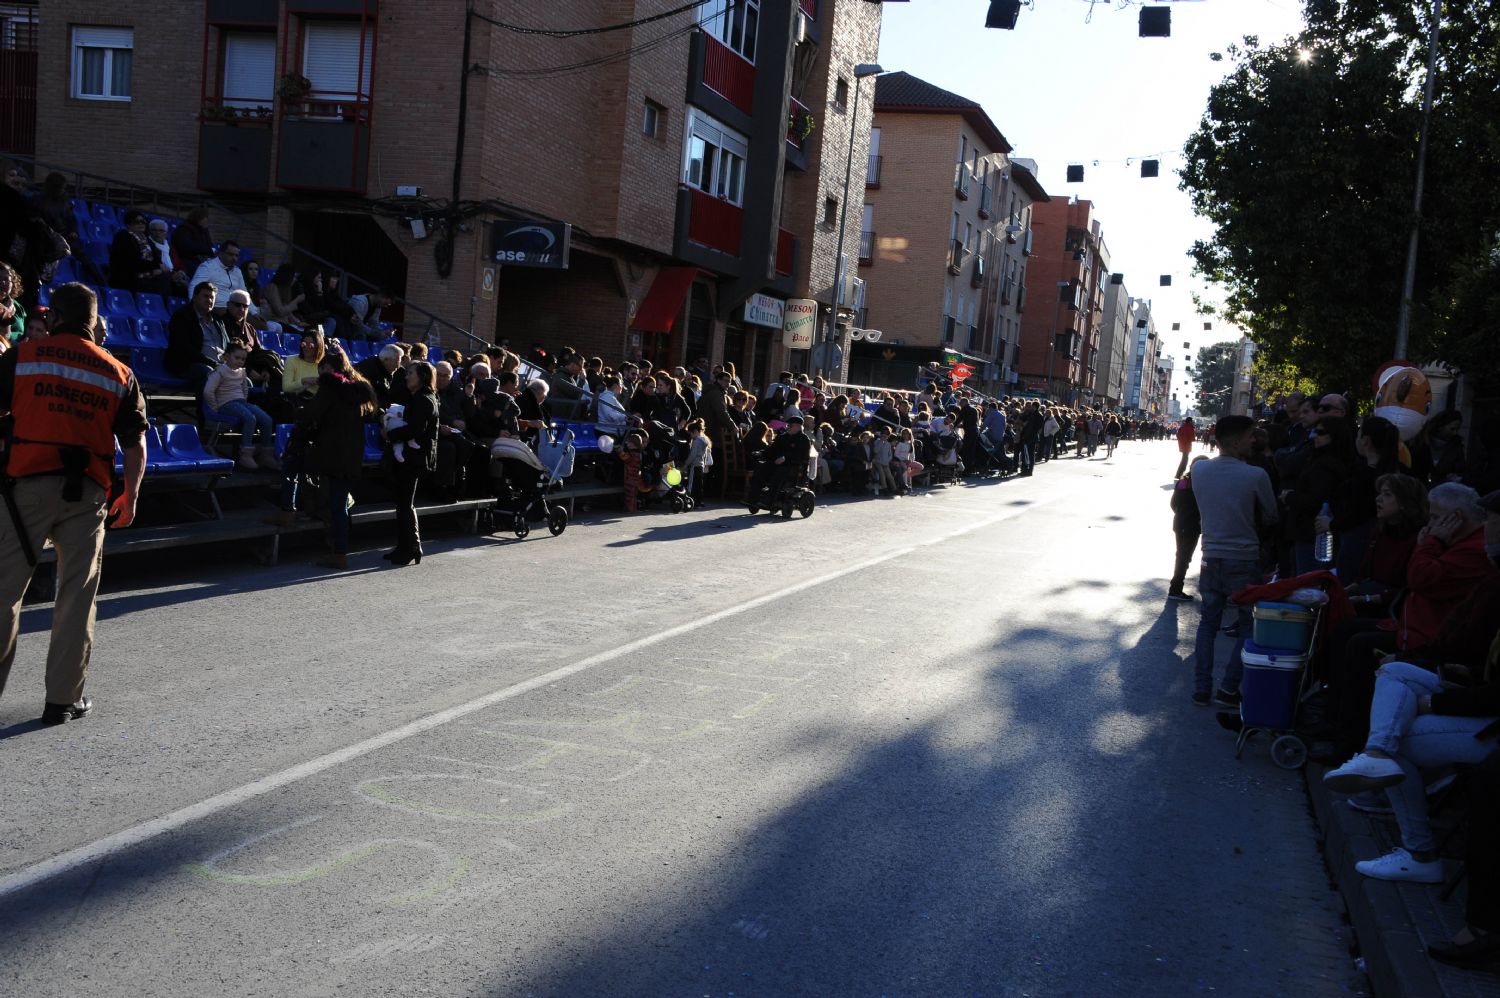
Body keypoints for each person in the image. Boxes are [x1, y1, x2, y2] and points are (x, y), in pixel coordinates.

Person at [0, 283, 148, 724]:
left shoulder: (24, 357)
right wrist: (132, 495)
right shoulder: (118, 372)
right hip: (87, 495)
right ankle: (63, 700)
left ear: (56, 316)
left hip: (24, 489)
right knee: (76, 597)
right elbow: (136, 444)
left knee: (4, 593)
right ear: (94, 320)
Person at [1190, 415, 1279, 707]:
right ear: (1237, 440)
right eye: (1251, 435)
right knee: (1248, 625)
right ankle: (1229, 687)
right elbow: (1271, 516)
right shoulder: (1255, 475)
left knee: (1208, 623)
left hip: (1211, 556)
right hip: (1244, 557)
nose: (1254, 440)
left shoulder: (1200, 470)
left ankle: (1201, 687)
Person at [294, 347, 377, 569]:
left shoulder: (330, 388)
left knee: (336, 504)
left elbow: (311, 413)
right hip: (351, 454)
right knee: (341, 502)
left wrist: (298, 408)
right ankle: (341, 548)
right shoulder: (360, 390)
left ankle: (339, 552)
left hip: (331, 453)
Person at [383, 361, 438, 566]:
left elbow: (415, 429)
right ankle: (405, 546)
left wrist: (390, 434)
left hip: (414, 458)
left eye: (411, 373)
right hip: (411, 456)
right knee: (403, 503)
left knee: (405, 503)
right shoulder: (419, 397)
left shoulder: (424, 399)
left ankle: (412, 547)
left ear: (422, 376)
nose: (407, 377)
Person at [203, 343, 280, 471]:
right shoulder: (219, 372)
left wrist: (243, 401)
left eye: (243, 359)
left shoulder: (242, 373)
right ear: (227, 356)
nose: (240, 361)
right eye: (237, 358)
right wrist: (215, 407)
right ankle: (246, 454)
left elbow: (244, 390)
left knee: (267, 419)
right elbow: (208, 391)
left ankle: (266, 454)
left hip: (240, 403)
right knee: (250, 418)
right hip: (226, 403)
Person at [165, 281, 229, 394]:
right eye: (205, 296)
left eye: (212, 297)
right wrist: (213, 364)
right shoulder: (182, 316)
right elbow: (184, 348)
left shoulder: (218, 320)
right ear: (194, 297)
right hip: (188, 364)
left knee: (244, 380)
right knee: (208, 373)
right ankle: (205, 410)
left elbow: (228, 345)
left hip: (219, 365)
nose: (209, 300)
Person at [108, 210, 171, 299]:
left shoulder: (147, 240)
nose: (141, 224)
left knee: (170, 278)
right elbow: (130, 261)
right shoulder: (123, 237)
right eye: (137, 222)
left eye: (143, 222)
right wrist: (154, 268)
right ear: (128, 224)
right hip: (129, 274)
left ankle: (163, 306)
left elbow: (157, 259)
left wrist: (158, 267)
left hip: (147, 273)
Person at [749, 414, 811, 505]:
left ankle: (770, 500)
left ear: (798, 427)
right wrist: (761, 453)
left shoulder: (804, 439)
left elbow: (802, 456)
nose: (788, 427)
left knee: (780, 472)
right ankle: (754, 498)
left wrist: (785, 458)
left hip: (793, 466)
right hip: (778, 463)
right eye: (787, 425)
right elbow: (772, 449)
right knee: (761, 467)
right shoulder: (782, 437)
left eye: (790, 425)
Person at [1169, 456, 1207, 601]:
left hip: (1180, 522)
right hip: (1192, 524)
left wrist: (1180, 513)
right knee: (1184, 556)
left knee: (1181, 555)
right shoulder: (1201, 485)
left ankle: (1176, 587)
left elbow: (1173, 503)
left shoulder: (1183, 482)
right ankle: (1175, 588)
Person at [189, 240, 247, 311]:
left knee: (259, 321)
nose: (234, 258)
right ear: (221, 253)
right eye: (230, 254)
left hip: (236, 309)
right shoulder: (208, 267)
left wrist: (254, 312)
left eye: (236, 255)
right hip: (216, 308)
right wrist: (193, 310)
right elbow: (194, 287)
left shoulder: (237, 271)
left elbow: (244, 293)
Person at [282, 328, 326, 401]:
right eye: (304, 344)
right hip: (298, 399)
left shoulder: (324, 364)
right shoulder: (291, 360)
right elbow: (286, 387)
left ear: (318, 347)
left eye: (311, 345)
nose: (306, 348)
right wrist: (303, 381)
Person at [169, 207, 214, 277]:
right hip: (186, 262)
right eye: (206, 217)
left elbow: (209, 246)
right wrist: (204, 249)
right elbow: (186, 247)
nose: (207, 220)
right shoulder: (184, 228)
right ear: (199, 217)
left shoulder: (203, 230)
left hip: (200, 261)